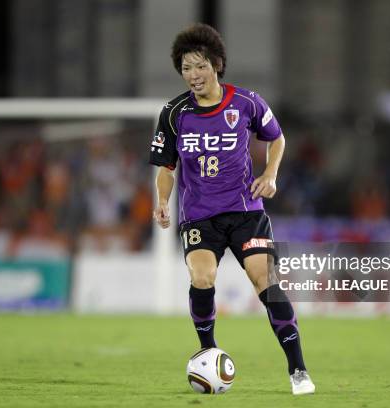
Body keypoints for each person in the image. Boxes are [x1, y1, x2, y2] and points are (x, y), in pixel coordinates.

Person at [148, 23, 315, 395]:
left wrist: (270, 174)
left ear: (217, 65)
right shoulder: (174, 113)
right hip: (199, 216)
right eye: (186, 68)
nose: (193, 75)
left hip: (245, 212)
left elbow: (277, 138)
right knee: (202, 277)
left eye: (200, 66)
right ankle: (207, 351)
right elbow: (166, 168)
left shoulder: (246, 103)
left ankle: (298, 369)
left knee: (265, 281)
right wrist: (161, 202)